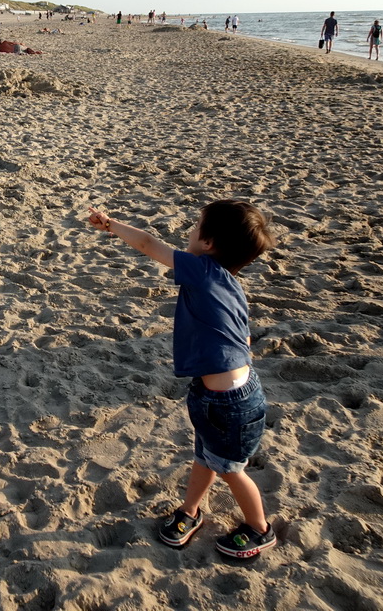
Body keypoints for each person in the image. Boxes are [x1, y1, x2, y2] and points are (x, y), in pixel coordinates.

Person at [86, 199, 277, 560]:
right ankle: (190, 511)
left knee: (232, 471)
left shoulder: (203, 270)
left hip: (231, 404)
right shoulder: (230, 283)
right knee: (206, 457)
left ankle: (259, 528)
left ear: (208, 243)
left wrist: (111, 224)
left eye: (196, 225)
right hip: (218, 395)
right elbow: (244, 338)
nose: (189, 230)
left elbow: (148, 244)